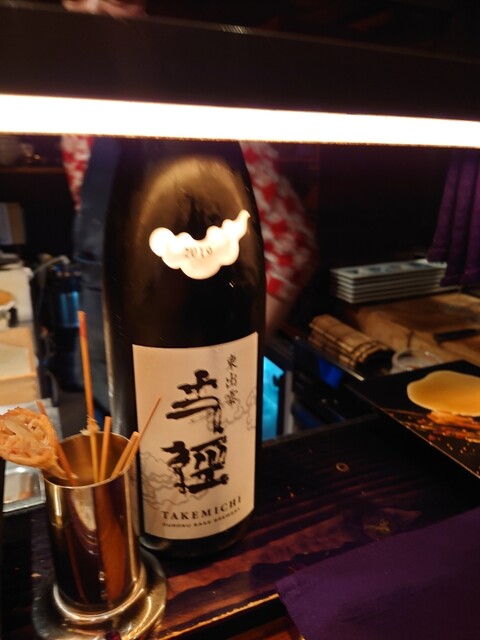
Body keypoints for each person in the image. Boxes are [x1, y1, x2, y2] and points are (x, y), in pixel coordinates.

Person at [61, 0, 318, 414]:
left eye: (118, 2)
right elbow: (98, 257)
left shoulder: (208, 106)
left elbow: (292, 250)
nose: (94, 11)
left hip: (192, 387)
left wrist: (230, 364)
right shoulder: (70, 116)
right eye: (77, 0)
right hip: (104, 372)